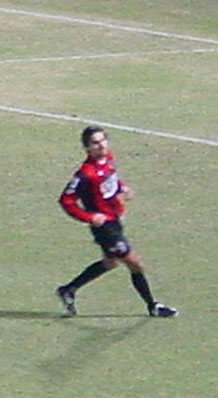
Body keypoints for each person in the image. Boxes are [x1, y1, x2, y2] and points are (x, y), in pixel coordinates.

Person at [56, 126, 176, 318]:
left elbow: (110, 180)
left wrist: (122, 188)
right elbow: (66, 201)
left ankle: (68, 290)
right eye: (95, 142)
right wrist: (90, 217)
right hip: (105, 228)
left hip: (115, 220)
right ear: (87, 148)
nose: (101, 145)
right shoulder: (85, 174)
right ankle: (153, 306)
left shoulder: (108, 158)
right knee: (135, 263)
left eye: (103, 140)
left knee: (110, 262)